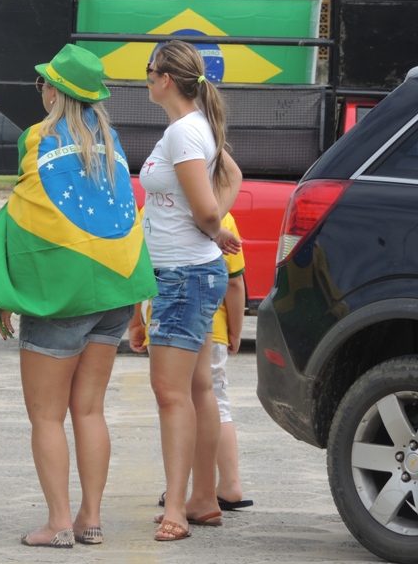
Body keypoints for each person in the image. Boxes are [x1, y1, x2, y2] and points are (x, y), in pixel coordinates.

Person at [0, 44, 157, 548]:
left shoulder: (37, 138)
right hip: (117, 288)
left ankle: (58, 523)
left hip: (62, 293)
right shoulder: (110, 141)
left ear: (54, 92)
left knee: (46, 415)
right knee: (90, 411)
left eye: (43, 81)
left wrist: (6, 288)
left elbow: (25, 218)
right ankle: (91, 519)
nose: (40, 88)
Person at [131, 40, 242, 541]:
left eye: (148, 69)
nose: (146, 78)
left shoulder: (183, 132)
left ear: (166, 80)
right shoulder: (195, 127)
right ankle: (202, 499)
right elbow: (230, 177)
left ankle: (178, 508)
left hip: (183, 277)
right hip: (188, 273)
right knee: (196, 389)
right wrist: (212, 230)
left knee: (171, 394)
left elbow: (207, 208)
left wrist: (212, 226)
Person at [211, 213, 252, 511]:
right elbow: (234, 283)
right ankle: (228, 482)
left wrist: (137, 323)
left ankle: (182, 489)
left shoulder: (152, 209)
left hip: (164, 327)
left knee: (178, 407)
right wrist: (235, 330)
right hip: (213, 327)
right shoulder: (223, 218)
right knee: (217, 404)